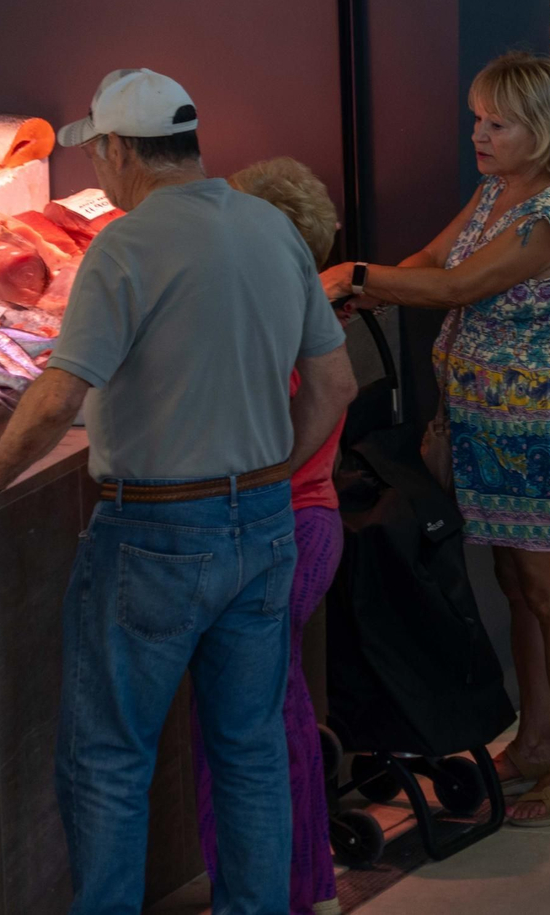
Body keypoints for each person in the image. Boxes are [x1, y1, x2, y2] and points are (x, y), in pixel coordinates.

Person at [0, 68, 358, 915]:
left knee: (110, 759)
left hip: (156, 536)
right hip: (264, 528)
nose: (100, 176)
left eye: (101, 157)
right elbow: (335, 382)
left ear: (121, 150)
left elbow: (58, 394)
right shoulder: (270, 229)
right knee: (250, 748)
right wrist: (268, 475)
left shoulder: (124, 247)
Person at [319, 53, 550, 827]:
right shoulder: (498, 193)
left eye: (496, 123)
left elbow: (455, 287)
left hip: (535, 428)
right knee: (517, 589)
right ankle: (539, 742)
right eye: (476, 118)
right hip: (482, 423)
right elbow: (431, 260)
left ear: (541, 128)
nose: (478, 134)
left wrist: (354, 272)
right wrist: (366, 291)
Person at [187, 158, 345, 915]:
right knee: (274, 714)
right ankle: (303, 887)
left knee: (244, 727)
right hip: (306, 524)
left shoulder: (273, 318)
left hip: (282, 526)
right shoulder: (305, 304)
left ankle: (270, 895)